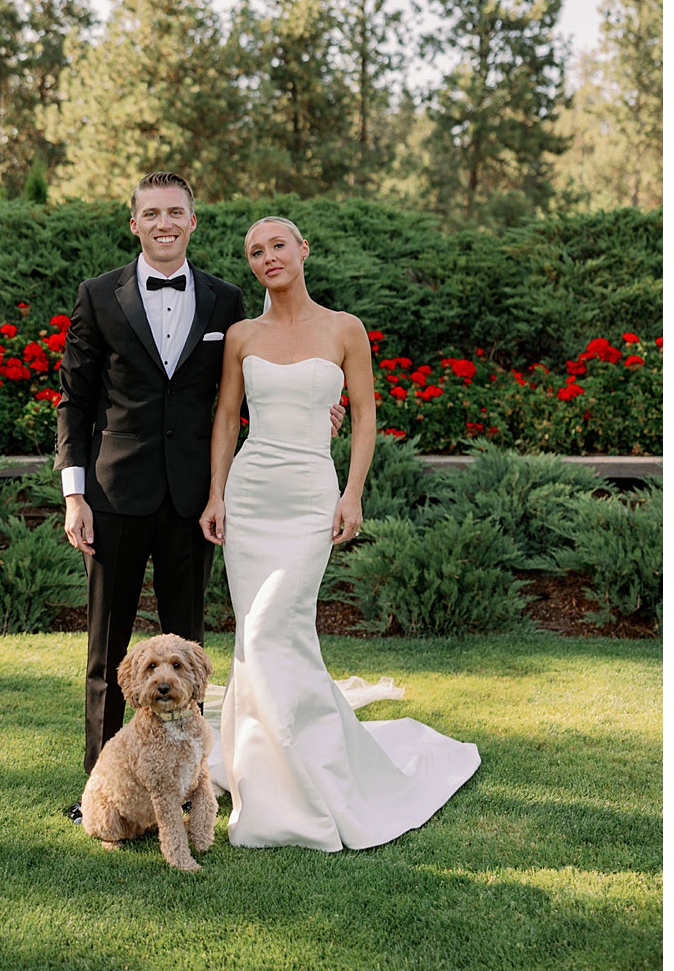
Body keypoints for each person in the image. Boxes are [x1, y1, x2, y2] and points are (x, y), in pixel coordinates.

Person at [199, 217, 479, 851]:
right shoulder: (242, 335)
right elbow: (225, 415)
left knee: (276, 626)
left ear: (303, 250)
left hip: (308, 498)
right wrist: (216, 493)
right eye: (255, 252)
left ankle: (305, 774)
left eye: (278, 245)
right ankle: (263, 771)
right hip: (251, 493)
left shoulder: (344, 329)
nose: (267, 257)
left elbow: (363, 413)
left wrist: (352, 493)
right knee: (259, 636)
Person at [56, 171, 247, 812]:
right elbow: (75, 401)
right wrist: (74, 496)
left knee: (186, 650)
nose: (164, 223)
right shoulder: (97, 295)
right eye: (152, 213)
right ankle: (100, 792)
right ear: (133, 222)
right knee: (108, 650)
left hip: (193, 500)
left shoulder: (225, 300)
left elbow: (244, 389)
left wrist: (323, 406)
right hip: (113, 494)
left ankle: (191, 792)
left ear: (194, 221)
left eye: (176, 212)